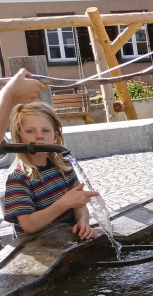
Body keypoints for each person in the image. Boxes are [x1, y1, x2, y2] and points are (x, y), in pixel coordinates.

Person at [3, 102, 98, 239]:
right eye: (30, 131)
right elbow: (29, 225)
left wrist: (83, 222)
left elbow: (79, 205)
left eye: (45, 130)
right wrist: (64, 203)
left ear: (55, 137)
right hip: (33, 246)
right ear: (18, 139)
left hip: (64, 239)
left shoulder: (64, 167)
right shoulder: (19, 178)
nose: (39, 136)